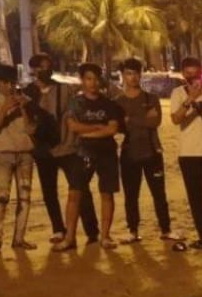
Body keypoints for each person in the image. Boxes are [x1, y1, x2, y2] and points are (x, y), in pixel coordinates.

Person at [24, 53, 97, 244]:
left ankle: (92, 231)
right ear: (32, 69)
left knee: (80, 187)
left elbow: (86, 98)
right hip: (43, 149)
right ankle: (58, 228)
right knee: (49, 191)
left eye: (47, 66)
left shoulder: (64, 89)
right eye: (39, 67)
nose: (43, 70)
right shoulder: (27, 93)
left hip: (68, 147)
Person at [55, 63, 124, 252]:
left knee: (107, 194)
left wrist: (88, 131)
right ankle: (69, 237)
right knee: (74, 194)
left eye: (95, 78)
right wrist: (98, 128)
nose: (92, 83)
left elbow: (113, 129)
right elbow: (73, 127)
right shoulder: (75, 103)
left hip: (107, 153)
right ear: (82, 80)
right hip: (81, 153)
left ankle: (105, 236)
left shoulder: (108, 103)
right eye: (88, 78)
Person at [0, 64, 38, 255]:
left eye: (13, 82)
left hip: (25, 154)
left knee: (25, 197)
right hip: (3, 154)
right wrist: (5, 108)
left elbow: (32, 130)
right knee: (1, 197)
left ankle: (19, 239)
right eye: (6, 82)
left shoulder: (27, 101)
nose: (10, 87)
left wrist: (24, 109)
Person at [114, 58, 173, 243]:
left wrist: (131, 120)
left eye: (136, 73)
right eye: (129, 73)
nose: (133, 77)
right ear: (122, 76)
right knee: (131, 194)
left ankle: (165, 229)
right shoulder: (117, 102)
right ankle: (133, 230)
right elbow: (118, 126)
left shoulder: (151, 98)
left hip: (152, 151)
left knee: (159, 193)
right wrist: (141, 119)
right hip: (129, 152)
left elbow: (154, 122)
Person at [168, 57, 202, 251]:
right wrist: (190, 98)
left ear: (201, 72)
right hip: (188, 154)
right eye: (188, 73)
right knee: (195, 198)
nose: (192, 77)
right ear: (183, 74)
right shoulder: (177, 93)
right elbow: (176, 119)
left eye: (195, 73)